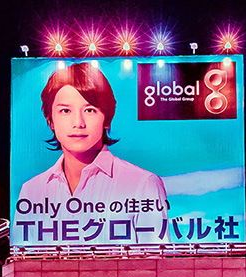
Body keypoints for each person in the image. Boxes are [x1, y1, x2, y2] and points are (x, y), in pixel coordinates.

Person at [16, 62, 169, 245]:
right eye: (65, 111)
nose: (78, 123)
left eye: (89, 110)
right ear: (50, 120)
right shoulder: (31, 191)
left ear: (107, 118)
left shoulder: (143, 184)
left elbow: (155, 267)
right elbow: (24, 265)